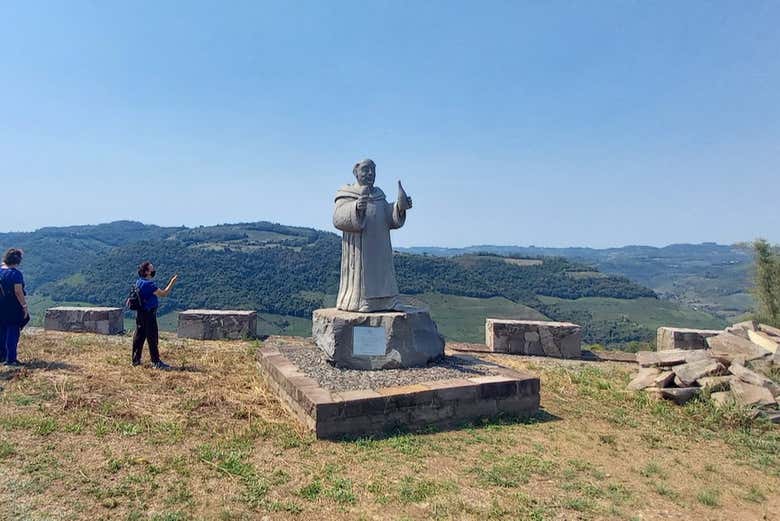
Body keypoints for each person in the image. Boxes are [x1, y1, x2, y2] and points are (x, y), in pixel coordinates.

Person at [333, 159, 413, 312]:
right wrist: (355, 208)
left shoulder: (379, 195)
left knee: (384, 273)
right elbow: (337, 218)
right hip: (361, 248)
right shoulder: (347, 194)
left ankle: (388, 301)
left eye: (373, 170)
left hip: (381, 246)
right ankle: (361, 301)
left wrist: (399, 208)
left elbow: (388, 217)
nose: (370, 173)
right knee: (363, 276)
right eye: (365, 169)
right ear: (356, 172)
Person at [132, 261, 178, 369]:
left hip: (140, 313)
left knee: (139, 337)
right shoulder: (149, 285)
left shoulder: (139, 282)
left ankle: (135, 360)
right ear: (147, 272)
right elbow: (164, 293)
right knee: (152, 338)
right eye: (152, 269)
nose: (153, 271)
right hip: (149, 314)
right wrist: (172, 282)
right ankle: (156, 362)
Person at [0, 248, 29, 366]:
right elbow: (18, 291)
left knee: (2, 330)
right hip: (12, 306)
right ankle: (11, 359)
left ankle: (2, 356)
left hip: (1, 304)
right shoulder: (15, 274)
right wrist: (24, 306)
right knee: (13, 330)